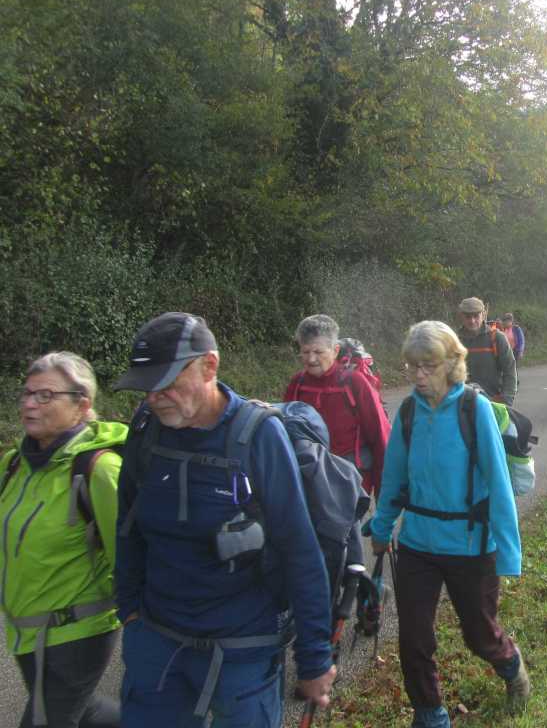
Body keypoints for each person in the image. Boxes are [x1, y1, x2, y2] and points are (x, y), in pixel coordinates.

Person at [113, 312, 335, 727]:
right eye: (146, 387)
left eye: (167, 382)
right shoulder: (145, 428)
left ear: (209, 366)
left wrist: (314, 657)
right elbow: (128, 524)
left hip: (242, 650)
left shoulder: (260, 436)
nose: (154, 397)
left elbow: (299, 549)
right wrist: (129, 610)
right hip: (157, 643)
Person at [369, 321, 527, 728]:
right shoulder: (409, 412)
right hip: (418, 544)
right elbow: (393, 477)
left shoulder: (473, 410)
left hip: (470, 545)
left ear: (452, 363)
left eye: (429, 366)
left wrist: (508, 554)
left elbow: (499, 484)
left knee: (480, 635)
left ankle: (511, 665)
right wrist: (382, 527)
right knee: (414, 639)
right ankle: (430, 715)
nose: (419, 375)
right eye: (412, 366)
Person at [1, 352, 124, 728]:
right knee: (84, 712)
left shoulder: (99, 470)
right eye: (27, 393)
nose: (29, 404)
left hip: (77, 634)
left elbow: (131, 558)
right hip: (25, 631)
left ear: (81, 405)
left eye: (45, 395)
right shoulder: (14, 465)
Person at [283, 314, 391, 497]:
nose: (311, 359)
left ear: (335, 350)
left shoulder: (354, 382)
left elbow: (380, 436)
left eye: (318, 352)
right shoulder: (298, 383)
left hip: (350, 480)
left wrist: (384, 495)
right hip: (309, 478)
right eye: (306, 352)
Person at [456, 297, 517, 405]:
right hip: (461, 403)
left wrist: (506, 399)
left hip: (492, 403)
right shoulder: (454, 340)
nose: (472, 321)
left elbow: (509, 370)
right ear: (461, 316)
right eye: (468, 316)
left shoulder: (497, 338)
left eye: (476, 316)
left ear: (483, 315)